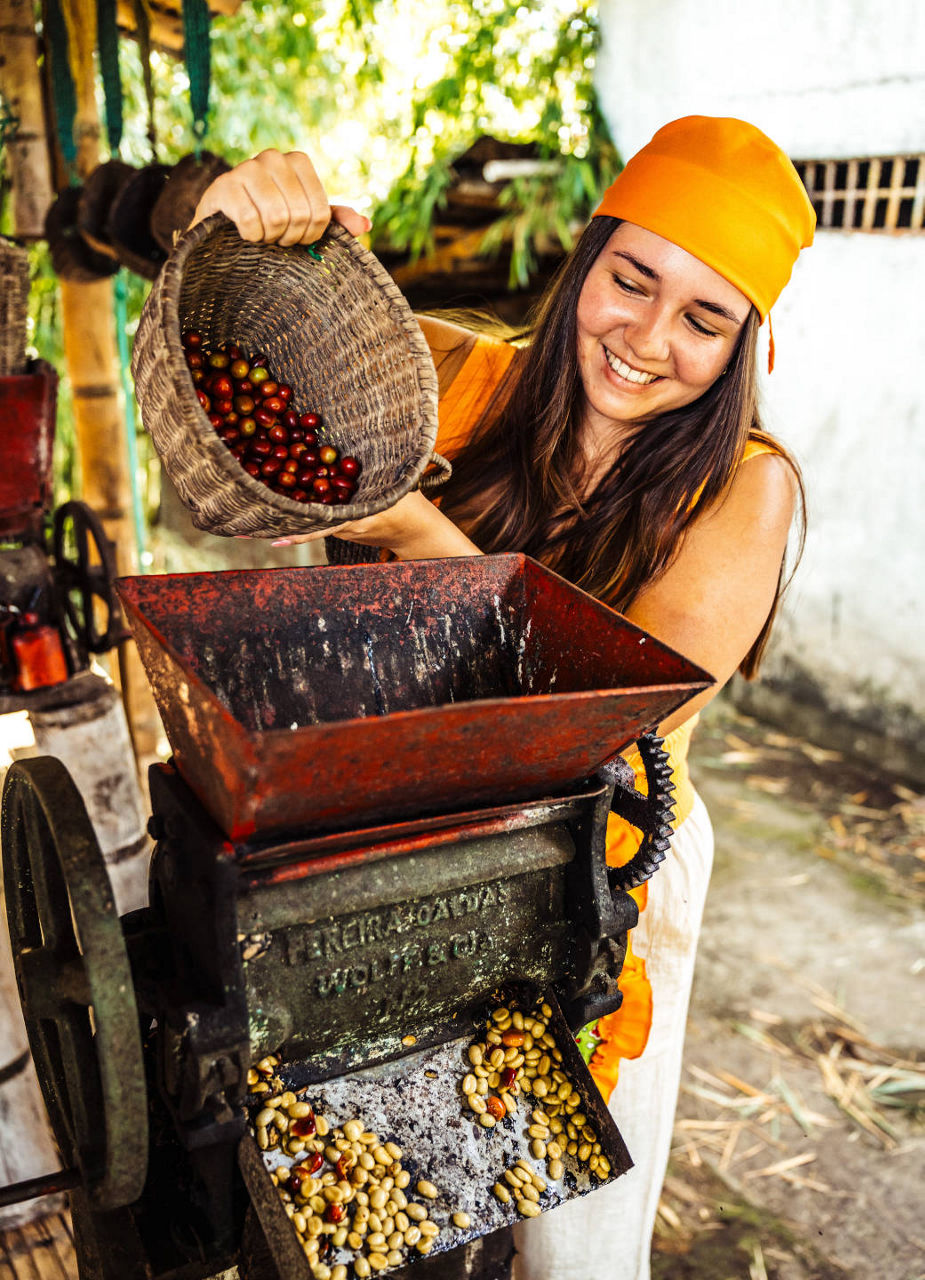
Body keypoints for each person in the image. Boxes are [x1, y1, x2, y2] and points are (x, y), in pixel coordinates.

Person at [193, 115, 814, 1279]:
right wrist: (247, 227)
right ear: (585, 261)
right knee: (377, 1184)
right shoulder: (457, 375)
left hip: (597, 861)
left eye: (702, 317)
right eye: (629, 279)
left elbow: (615, 720)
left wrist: (418, 534)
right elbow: (248, 356)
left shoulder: (748, 490)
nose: (645, 337)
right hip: (395, 830)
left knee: (566, 1225)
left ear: (745, 346)